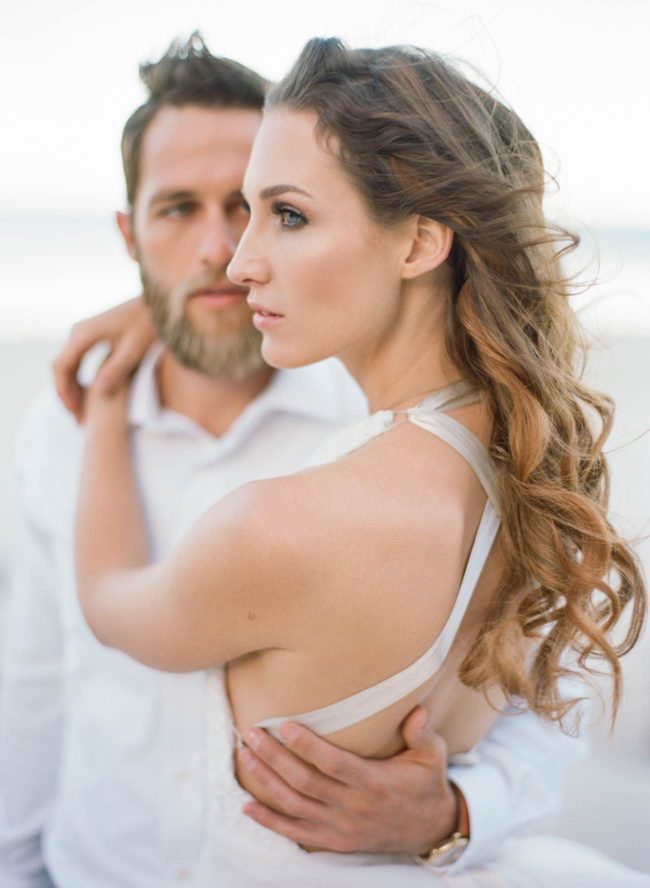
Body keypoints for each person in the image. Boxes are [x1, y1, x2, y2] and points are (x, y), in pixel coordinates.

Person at [0, 34, 600, 888]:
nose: (228, 257)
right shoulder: (507, 454)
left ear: (418, 243)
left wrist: (457, 814)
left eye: (278, 213)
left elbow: (549, 706)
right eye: (181, 210)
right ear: (132, 238)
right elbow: (30, 689)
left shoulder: (311, 488)